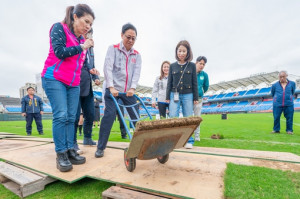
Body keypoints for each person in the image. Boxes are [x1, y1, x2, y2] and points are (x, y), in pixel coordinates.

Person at [41, 4, 95, 172]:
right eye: (86, 21)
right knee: (61, 115)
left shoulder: (81, 40)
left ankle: (71, 149)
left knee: (72, 117)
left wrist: (91, 72)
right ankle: (61, 154)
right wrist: (82, 47)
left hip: (73, 83)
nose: (88, 26)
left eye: (91, 24)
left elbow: (79, 64)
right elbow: (59, 52)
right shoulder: (59, 28)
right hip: (54, 78)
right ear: (75, 17)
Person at [95, 23, 141, 158]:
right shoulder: (113, 49)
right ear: (122, 35)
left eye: (134, 38)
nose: (131, 40)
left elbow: (136, 73)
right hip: (113, 90)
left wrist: (132, 88)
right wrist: (111, 87)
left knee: (136, 117)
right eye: (128, 37)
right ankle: (100, 147)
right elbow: (107, 68)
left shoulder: (137, 55)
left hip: (128, 91)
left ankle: (139, 144)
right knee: (109, 116)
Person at [166, 40, 198, 149]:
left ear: (188, 52)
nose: (181, 53)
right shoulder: (172, 66)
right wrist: (167, 97)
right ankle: (172, 140)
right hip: (173, 94)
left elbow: (195, 82)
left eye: (184, 51)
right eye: (179, 51)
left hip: (188, 95)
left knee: (188, 117)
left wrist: (196, 97)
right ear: (176, 52)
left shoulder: (192, 66)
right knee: (172, 117)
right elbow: (169, 82)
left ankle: (189, 140)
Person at [73, 28, 101, 152]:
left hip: (87, 85)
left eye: (90, 33)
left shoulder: (91, 49)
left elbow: (92, 65)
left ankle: (87, 137)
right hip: (75, 83)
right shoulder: (76, 43)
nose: (89, 35)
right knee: (74, 116)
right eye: (87, 32)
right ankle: (72, 142)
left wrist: (95, 77)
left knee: (90, 113)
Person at [271, 71, 296, 135]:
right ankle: (276, 130)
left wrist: (289, 98)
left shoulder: (292, 83)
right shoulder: (274, 85)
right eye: (280, 77)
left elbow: (292, 92)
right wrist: (277, 99)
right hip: (277, 104)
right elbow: (273, 94)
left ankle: (289, 130)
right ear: (278, 77)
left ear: (286, 76)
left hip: (289, 104)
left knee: (289, 117)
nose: (282, 78)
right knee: (276, 117)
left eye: (283, 76)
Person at [193, 56, 209, 141]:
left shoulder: (204, 75)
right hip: (189, 98)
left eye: (203, 64)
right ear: (196, 62)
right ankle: (187, 137)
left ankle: (197, 136)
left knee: (197, 117)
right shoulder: (191, 72)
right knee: (187, 117)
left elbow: (206, 86)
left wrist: (201, 92)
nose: (202, 65)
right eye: (200, 63)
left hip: (198, 99)